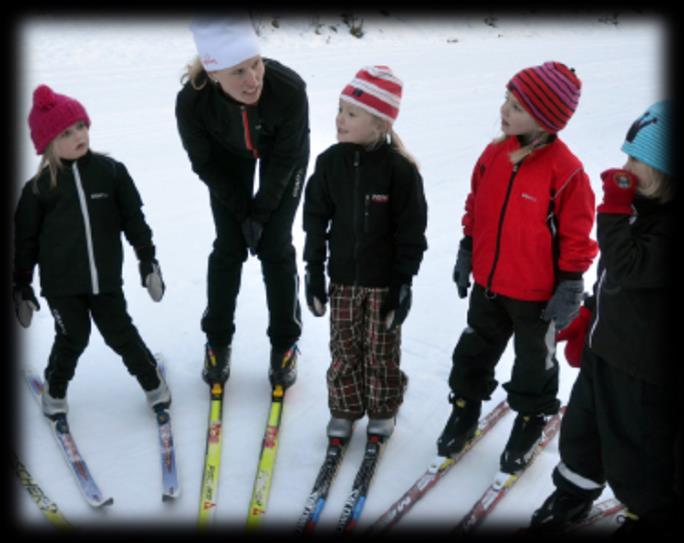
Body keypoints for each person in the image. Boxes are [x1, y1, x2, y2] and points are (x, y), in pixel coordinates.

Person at [437, 62, 598, 473]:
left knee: (534, 366)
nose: (505, 111)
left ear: (545, 119)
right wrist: (466, 248)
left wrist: (570, 285)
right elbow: (477, 206)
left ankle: (530, 420)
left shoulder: (567, 173)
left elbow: (576, 236)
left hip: (537, 298)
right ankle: (464, 408)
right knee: (472, 353)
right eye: (507, 101)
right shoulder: (494, 154)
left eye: (517, 106)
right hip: (488, 287)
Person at [529, 101, 678, 536]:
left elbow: (629, 266)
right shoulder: (640, 210)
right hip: (604, 352)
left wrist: (612, 209)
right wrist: (589, 317)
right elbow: (612, 278)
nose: (624, 166)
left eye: (636, 159)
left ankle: (649, 511)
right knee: (583, 430)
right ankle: (573, 491)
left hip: (641, 370)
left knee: (638, 450)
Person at [13, 84, 170, 416]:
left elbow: (134, 219)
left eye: (81, 126)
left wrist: (147, 260)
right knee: (73, 337)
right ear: (49, 144)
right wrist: (21, 284)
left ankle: (153, 383)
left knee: (120, 333)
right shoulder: (39, 190)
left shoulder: (110, 173)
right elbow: (24, 241)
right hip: (61, 286)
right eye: (66, 133)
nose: (78, 135)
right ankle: (54, 392)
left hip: (105, 280)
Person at [175, 16, 310, 389]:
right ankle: (217, 340)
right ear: (214, 73)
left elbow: (285, 161)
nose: (253, 79)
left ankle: (285, 343)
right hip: (226, 158)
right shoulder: (192, 102)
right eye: (238, 72)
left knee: (275, 245)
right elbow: (204, 162)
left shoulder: (289, 91)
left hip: (282, 157)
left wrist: (262, 212)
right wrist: (241, 211)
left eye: (256, 64)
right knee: (229, 246)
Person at [303, 66, 428, 439]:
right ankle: (344, 408)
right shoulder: (329, 164)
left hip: (382, 284)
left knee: (381, 351)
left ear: (380, 124)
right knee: (343, 348)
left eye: (351, 114)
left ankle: (383, 407)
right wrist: (313, 269)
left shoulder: (400, 171)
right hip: (341, 279)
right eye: (340, 110)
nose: (340, 120)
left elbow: (411, 232)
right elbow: (314, 221)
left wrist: (403, 282)